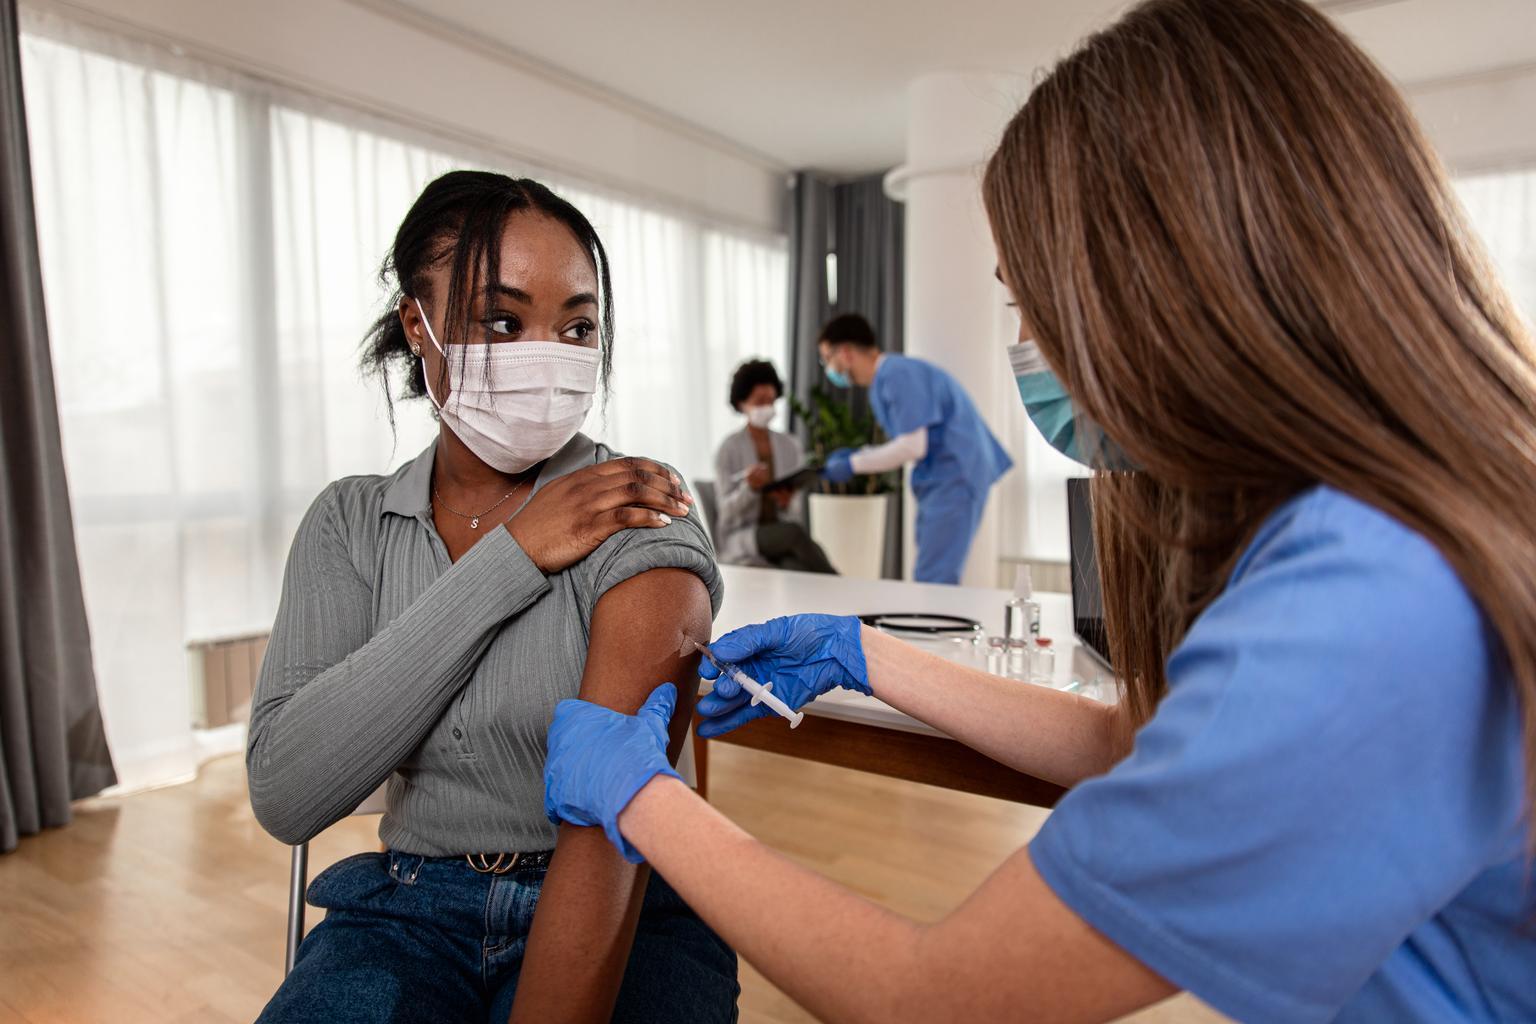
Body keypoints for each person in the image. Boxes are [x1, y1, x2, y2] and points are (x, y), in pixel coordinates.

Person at [539, 1, 1536, 1022]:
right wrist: (867, 653)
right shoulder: (1376, 531)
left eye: (1030, 305)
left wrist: (638, 795)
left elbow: (935, 997)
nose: (1026, 346)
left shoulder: (1365, 605)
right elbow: (1143, 748)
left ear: (1168, 282)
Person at [247, 171, 737, 1023]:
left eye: (577, 326)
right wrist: (512, 557)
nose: (544, 354)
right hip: (405, 911)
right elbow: (289, 793)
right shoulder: (349, 522)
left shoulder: (638, 510)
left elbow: (609, 824)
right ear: (418, 324)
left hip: (626, 905)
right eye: (501, 321)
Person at [817, 313, 1012, 584]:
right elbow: (910, 440)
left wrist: (854, 464)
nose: (829, 368)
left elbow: (912, 446)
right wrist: (859, 455)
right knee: (932, 575)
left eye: (828, 358)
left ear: (846, 352)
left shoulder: (896, 374)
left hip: (954, 476)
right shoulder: (887, 380)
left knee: (934, 579)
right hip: (946, 478)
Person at [713, 359, 836, 573]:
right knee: (794, 533)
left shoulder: (789, 445)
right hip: (745, 535)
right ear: (742, 403)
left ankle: (835, 598)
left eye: (770, 401)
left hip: (779, 537)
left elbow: (794, 508)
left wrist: (786, 502)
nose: (767, 407)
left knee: (796, 567)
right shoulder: (729, 448)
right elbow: (726, 513)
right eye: (759, 401)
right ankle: (842, 585)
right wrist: (749, 489)